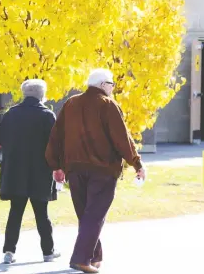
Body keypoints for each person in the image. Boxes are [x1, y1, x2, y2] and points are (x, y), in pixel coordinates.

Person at [45, 68, 146, 273]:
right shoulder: (108, 105)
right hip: (102, 169)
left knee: (87, 214)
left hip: (74, 168)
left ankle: (94, 256)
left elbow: (56, 136)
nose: (112, 88)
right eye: (111, 85)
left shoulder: (71, 103)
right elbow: (121, 139)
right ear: (102, 85)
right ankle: (81, 259)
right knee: (94, 214)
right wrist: (137, 163)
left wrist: (55, 165)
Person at [0, 79, 61, 264]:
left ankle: (9, 251)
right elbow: (55, 144)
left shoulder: (11, 113)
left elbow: (0, 137)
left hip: (16, 170)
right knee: (42, 213)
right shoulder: (47, 115)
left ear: (24, 94)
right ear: (42, 95)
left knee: (15, 212)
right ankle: (48, 252)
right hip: (39, 171)